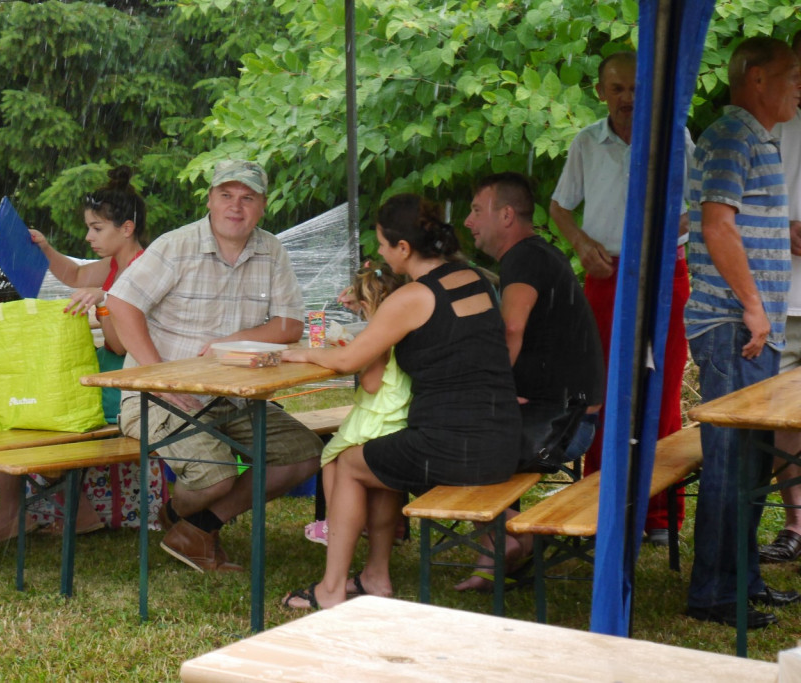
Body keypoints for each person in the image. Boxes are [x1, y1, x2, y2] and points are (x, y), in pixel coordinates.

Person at [280, 193, 521, 610]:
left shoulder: (412, 297)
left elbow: (349, 360)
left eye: (383, 243)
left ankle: (331, 589)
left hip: (452, 448)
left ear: (404, 248)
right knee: (383, 454)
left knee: (350, 463)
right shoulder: (475, 278)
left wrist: (300, 352)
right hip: (502, 440)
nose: (378, 252)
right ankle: (375, 576)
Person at [109, 159, 322, 572]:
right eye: (226, 195)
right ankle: (180, 515)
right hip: (161, 397)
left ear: (263, 206)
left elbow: (290, 324)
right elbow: (121, 303)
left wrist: (231, 342)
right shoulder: (177, 245)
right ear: (209, 200)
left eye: (248, 198)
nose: (236, 207)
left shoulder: (271, 249)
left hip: (234, 396)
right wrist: (158, 377)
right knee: (217, 475)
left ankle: (197, 526)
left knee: (303, 455)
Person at [550, 50, 693, 546]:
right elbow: (558, 206)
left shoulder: (674, 137)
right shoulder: (587, 141)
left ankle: (660, 516)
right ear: (601, 92)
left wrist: (662, 233)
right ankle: (601, 505)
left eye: (637, 87)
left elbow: (698, 206)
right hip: (606, 276)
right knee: (604, 390)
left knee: (664, 387)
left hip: (664, 273)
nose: (628, 98)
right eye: (618, 89)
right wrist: (581, 244)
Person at [684, 36, 801, 629]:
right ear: (756, 78)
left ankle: (742, 578)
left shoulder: (756, 139)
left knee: (751, 461)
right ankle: (712, 593)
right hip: (735, 327)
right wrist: (755, 308)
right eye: (791, 75)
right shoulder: (732, 135)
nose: (799, 87)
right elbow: (716, 226)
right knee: (731, 459)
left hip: (750, 327)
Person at [455, 171, 605, 592]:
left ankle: (514, 535)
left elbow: (511, 330)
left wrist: (489, 393)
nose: (469, 222)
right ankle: (500, 547)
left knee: (439, 438)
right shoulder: (537, 255)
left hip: (562, 426)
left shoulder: (524, 258)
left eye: (476, 211)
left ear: (506, 215)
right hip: (566, 416)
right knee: (464, 428)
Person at [0, 165, 147, 543]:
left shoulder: (140, 270)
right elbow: (74, 276)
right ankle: (64, 511)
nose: (89, 236)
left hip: (124, 381)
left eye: (97, 228)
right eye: (89, 227)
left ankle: (24, 512)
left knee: (25, 411)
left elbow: (122, 345)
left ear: (126, 228)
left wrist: (105, 303)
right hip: (104, 373)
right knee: (15, 404)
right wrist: (46, 249)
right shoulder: (116, 263)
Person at [303, 263, 409, 546]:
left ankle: (335, 524)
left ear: (365, 306)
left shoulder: (379, 335)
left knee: (331, 457)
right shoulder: (408, 323)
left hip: (378, 414)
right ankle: (392, 524)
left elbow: (373, 384)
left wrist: (358, 357)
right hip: (401, 412)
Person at [758, 31, 801, 566]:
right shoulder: (767, 126)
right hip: (777, 297)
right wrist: (777, 225)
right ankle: (794, 524)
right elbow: (725, 210)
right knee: (782, 422)